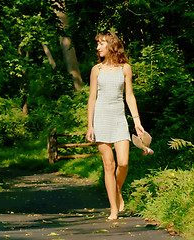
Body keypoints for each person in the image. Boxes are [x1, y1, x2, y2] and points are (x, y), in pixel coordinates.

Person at [86, 32, 145, 220]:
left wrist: (137, 122)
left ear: (111, 44)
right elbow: (92, 98)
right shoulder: (96, 69)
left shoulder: (125, 68)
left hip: (119, 119)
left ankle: (117, 189)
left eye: (101, 43)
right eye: (97, 44)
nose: (98, 47)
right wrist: (90, 125)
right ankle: (113, 208)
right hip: (101, 119)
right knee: (108, 165)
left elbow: (129, 96)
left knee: (123, 163)